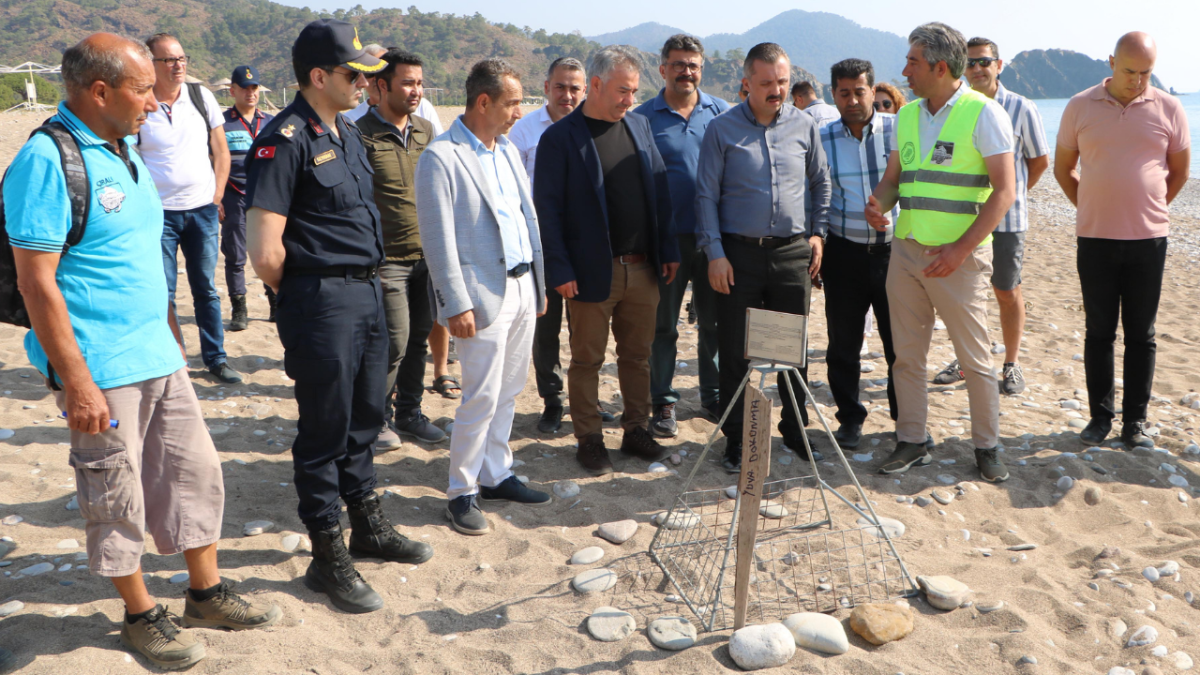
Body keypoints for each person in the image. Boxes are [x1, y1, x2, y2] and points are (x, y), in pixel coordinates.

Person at [6, 33, 281, 669]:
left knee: (193, 474)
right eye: (143, 90)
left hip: (158, 352)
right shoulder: (49, 160)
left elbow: (134, 256)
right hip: (100, 367)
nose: (156, 104)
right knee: (115, 494)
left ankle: (205, 593)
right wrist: (75, 382)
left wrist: (169, 326)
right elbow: (36, 280)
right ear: (99, 91)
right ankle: (139, 613)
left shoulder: (124, 147)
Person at [245, 18, 433, 614]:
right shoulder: (285, 138)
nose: (363, 81)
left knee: (364, 418)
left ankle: (368, 526)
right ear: (318, 76)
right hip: (322, 301)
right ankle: (327, 555)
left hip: (367, 292)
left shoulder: (347, 131)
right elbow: (265, 253)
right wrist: (309, 294)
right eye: (353, 73)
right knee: (324, 429)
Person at [865, 22, 1016, 482]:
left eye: (913, 61)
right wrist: (879, 204)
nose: (905, 70)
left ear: (939, 66)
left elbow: (1005, 191)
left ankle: (987, 447)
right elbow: (895, 179)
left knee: (973, 360)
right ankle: (912, 441)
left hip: (961, 260)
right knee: (907, 356)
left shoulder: (983, 113)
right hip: (907, 253)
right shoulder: (906, 115)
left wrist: (960, 249)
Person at [416, 59, 552, 535]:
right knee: (480, 395)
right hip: (479, 296)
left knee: (511, 388)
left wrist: (536, 283)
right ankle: (462, 490)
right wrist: (456, 303)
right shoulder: (442, 157)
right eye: (514, 102)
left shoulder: (508, 151)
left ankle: (496, 474)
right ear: (483, 102)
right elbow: (437, 239)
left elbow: (524, 219)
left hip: (520, 286)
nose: (520, 110)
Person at [536, 45, 681, 475]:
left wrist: (668, 249)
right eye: (622, 91)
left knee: (638, 357)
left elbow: (661, 194)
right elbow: (548, 211)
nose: (629, 100)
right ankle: (590, 439)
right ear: (596, 85)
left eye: (634, 91)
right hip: (588, 273)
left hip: (643, 268)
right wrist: (559, 269)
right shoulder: (560, 138)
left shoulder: (639, 126)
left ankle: (636, 431)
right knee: (587, 360)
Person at [697, 42, 831, 473]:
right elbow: (705, 196)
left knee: (793, 348)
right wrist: (715, 253)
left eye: (783, 82)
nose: (777, 90)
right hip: (738, 256)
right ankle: (737, 439)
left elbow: (820, 183)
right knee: (736, 350)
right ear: (746, 83)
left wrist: (817, 234)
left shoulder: (803, 125)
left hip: (793, 254)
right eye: (767, 83)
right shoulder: (722, 130)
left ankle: (795, 430)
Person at [1054, 31, 1190, 449]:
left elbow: (1180, 170)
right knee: (1099, 332)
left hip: (1149, 240)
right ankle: (1100, 418)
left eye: (1147, 73)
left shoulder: (1169, 107)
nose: (1138, 81)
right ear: (1111, 62)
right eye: (1130, 71)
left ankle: (1136, 422)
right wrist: (1093, 206)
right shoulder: (1080, 105)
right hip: (1094, 238)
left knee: (1142, 334)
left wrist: (1149, 207)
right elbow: (1063, 169)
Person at [939, 37, 1048, 396]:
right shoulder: (954, 108)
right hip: (961, 219)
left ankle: (1012, 364)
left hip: (1007, 222)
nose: (976, 69)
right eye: (970, 63)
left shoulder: (1021, 107)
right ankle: (967, 360)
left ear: (998, 65)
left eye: (984, 62)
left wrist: (1007, 198)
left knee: (1005, 290)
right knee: (964, 295)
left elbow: (1038, 162)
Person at [635, 34, 730, 437]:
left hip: (713, 240)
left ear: (701, 69)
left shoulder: (722, 113)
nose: (686, 71)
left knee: (714, 324)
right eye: (678, 64)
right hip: (666, 242)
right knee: (663, 327)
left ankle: (712, 396)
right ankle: (662, 402)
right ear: (663, 69)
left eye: (693, 64)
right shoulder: (641, 118)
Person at [138, 33, 241, 384]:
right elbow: (130, 159)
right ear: (151, 64)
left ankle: (216, 358)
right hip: (159, 215)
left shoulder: (201, 96)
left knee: (205, 289)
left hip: (202, 211)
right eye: (169, 59)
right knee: (163, 291)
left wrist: (217, 195)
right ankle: (173, 361)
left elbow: (221, 150)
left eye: (181, 58)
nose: (178, 65)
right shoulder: (141, 102)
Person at [356, 49, 447, 451]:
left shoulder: (427, 130)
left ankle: (410, 413)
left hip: (428, 256)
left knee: (418, 340)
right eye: (407, 82)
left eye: (419, 83)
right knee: (393, 342)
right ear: (381, 85)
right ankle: (377, 421)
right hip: (387, 260)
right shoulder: (357, 134)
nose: (416, 90)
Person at [507, 56, 595, 434]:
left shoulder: (596, 128)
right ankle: (552, 401)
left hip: (585, 244)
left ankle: (583, 402)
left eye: (575, 88)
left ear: (586, 90)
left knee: (586, 327)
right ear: (545, 88)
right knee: (546, 328)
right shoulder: (525, 132)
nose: (568, 95)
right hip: (538, 245)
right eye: (560, 87)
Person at [818, 58, 899, 449]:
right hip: (843, 254)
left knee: (899, 345)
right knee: (843, 346)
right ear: (833, 94)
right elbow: (818, 197)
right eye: (844, 92)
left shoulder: (899, 130)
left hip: (895, 256)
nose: (852, 100)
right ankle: (850, 419)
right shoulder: (823, 138)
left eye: (860, 91)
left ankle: (906, 419)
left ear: (872, 90)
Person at [219, 65, 275, 330]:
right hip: (233, 194)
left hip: (265, 196)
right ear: (233, 91)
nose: (250, 93)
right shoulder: (221, 122)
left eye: (254, 88)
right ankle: (239, 307)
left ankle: (275, 302)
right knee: (235, 253)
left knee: (270, 249)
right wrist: (217, 197)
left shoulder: (270, 121)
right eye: (245, 88)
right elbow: (211, 160)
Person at [347, 43, 445, 135]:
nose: (376, 78)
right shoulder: (351, 123)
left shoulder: (423, 113)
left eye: (382, 69)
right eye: (370, 72)